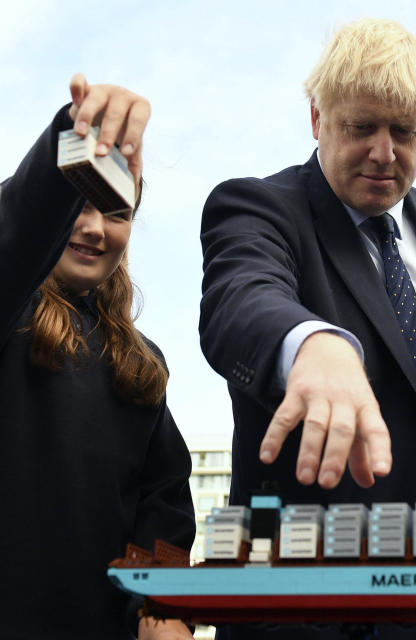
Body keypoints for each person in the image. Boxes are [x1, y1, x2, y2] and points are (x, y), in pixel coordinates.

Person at [199, 18, 416, 637]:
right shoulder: (259, 207)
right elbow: (242, 297)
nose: (385, 153)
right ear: (317, 119)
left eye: (405, 132)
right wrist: (312, 344)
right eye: (362, 128)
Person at [0, 75, 194, 638]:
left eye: (115, 211)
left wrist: (161, 610)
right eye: (76, 205)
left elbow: (163, 507)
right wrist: (73, 136)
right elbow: (16, 236)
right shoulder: (11, 310)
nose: (92, 228)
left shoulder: (142, 364)